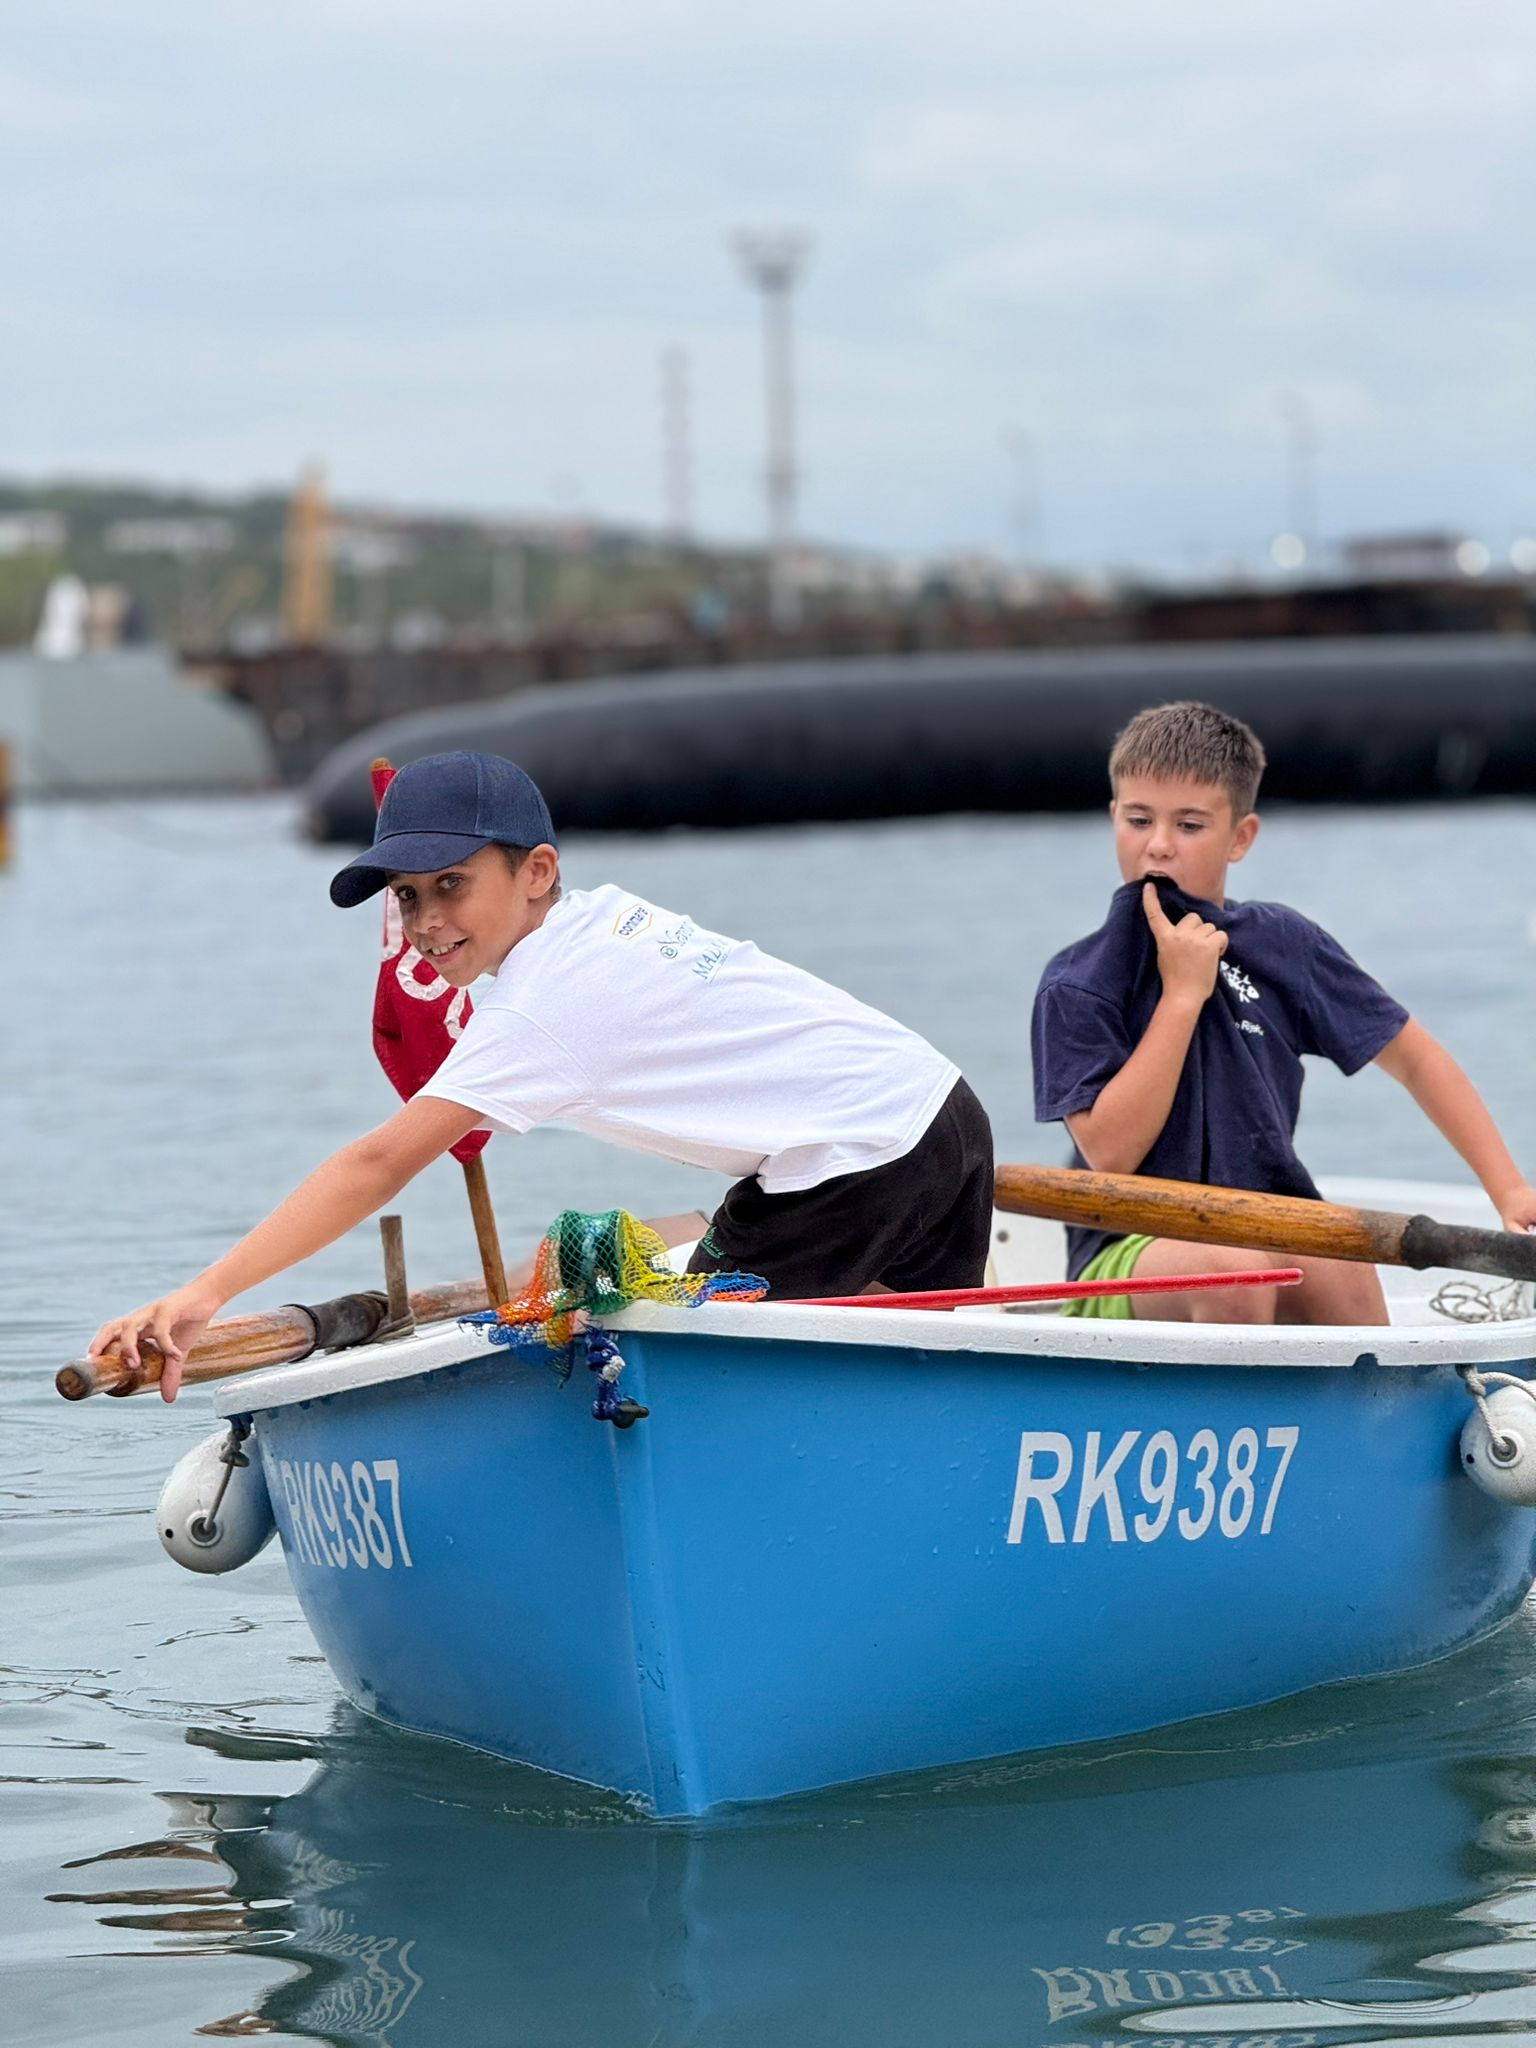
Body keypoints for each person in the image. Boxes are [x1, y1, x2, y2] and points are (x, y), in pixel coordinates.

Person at [92, 750, 993, 1397]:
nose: (425, 921)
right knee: (902, 1364)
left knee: (693, 1364)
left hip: (854, 1165)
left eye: (451, 884)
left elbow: (378, 1164)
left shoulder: (536, 1006)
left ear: (537, 871)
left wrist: (205, 1292)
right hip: (938, 1110)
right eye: (407, 895)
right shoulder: (595, 922)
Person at [1030, 700, 1536, 1325]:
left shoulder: (1285, 945)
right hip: (1127, 1248)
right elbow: (1111, 1156)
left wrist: (1510, 1189)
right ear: (1114, 818)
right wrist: (1182, 997)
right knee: (1233, 1275)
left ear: (1240, 837)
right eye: (1139, 820)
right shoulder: (1077, 981)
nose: (1158, 846)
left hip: (1273, 1221)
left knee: (1346, 1271)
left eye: (1190, 825)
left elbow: (1416, 1060)